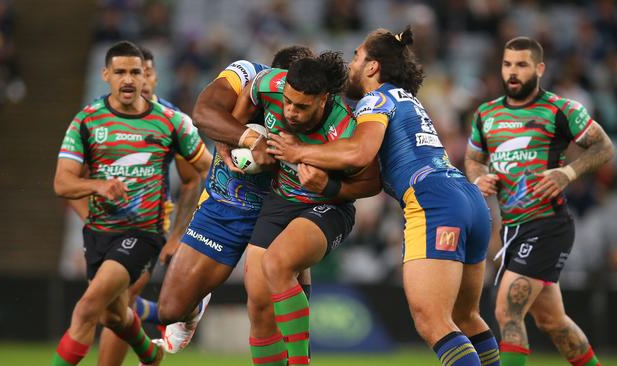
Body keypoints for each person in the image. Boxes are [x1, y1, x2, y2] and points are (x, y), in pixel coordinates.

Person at [267, 27, 496, 366]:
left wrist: (298, 150)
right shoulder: (408, 100)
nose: (351, 65)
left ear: (373, 67)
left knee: (433, 320)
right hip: (467, 198)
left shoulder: (377, 98)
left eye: (357, 56)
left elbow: (360, 152)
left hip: (432, 201)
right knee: (466, 318)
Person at [52, 41, 211, 366]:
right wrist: (98, 186)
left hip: (143, 233)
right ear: (106, 75)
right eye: (121, 72)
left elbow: (206, 169)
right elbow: (62, 183)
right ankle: (151, 352)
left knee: (86, 309)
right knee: (114, 315)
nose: (128, 79)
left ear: (147, 76)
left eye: (136, 72)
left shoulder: (171, 122)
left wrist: (186, 232)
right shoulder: (87, 121)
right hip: (99, 233)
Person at [155, 46, 317, 356]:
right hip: (224, 207)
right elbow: (203, 113)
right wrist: (250, 139)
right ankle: (195, 306)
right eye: (287, 95)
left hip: (278, 213)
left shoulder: (318, 103)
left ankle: (300, 356)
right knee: (169, 310)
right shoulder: (245, 73)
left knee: (276, 316)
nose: (293, 107)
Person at [464, 37, 613, 366]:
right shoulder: (486, 114)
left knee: (506, 309)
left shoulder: (561, 109)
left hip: (548, 225)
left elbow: (604, 147)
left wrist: (568, 173)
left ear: (539, 68)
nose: (512, 72)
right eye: (507, 64)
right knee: (552, 321)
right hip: (512, 229)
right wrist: (479, 177)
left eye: (521, 64)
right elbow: (473, 158)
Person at [229, 51, 381, 365]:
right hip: (280, 200)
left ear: (323, 99)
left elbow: (373, 182)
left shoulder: (346, 127)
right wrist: (238, 141)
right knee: (258, 303)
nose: (291, 111)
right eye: (287, 102)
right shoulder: (271, 82)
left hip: (327, 206)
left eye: (301, 106)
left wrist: (329, 186)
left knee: (278, 263)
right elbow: (245, 101)